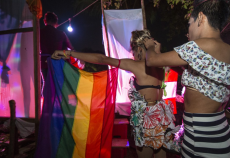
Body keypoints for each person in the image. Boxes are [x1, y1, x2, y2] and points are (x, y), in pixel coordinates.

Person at [143, 0, 230, 157]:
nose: (189, 30)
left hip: (202, 143)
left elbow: (151, 60)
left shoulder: (199, 46)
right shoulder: (228, 50)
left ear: (200, 18)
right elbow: (203, 82)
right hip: (221, 138)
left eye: (189, 24)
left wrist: (150, 47)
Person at [51, 30, 180, 158]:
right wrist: (157, 51)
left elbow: (101, 58)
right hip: (162, 115)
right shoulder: (161, 64)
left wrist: (68, 53)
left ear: (139, 49)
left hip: (147, 118)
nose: (132, 54)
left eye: (133, 50)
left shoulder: (137, 65)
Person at [40, 12, 74, 84]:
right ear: (56, 22)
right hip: (58, 63)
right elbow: (71, 48)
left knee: (46, 84)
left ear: (45, 21)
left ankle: (47, 95)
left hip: (44, 62)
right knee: (58, 85)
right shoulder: (61, 34)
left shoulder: (39, 33)